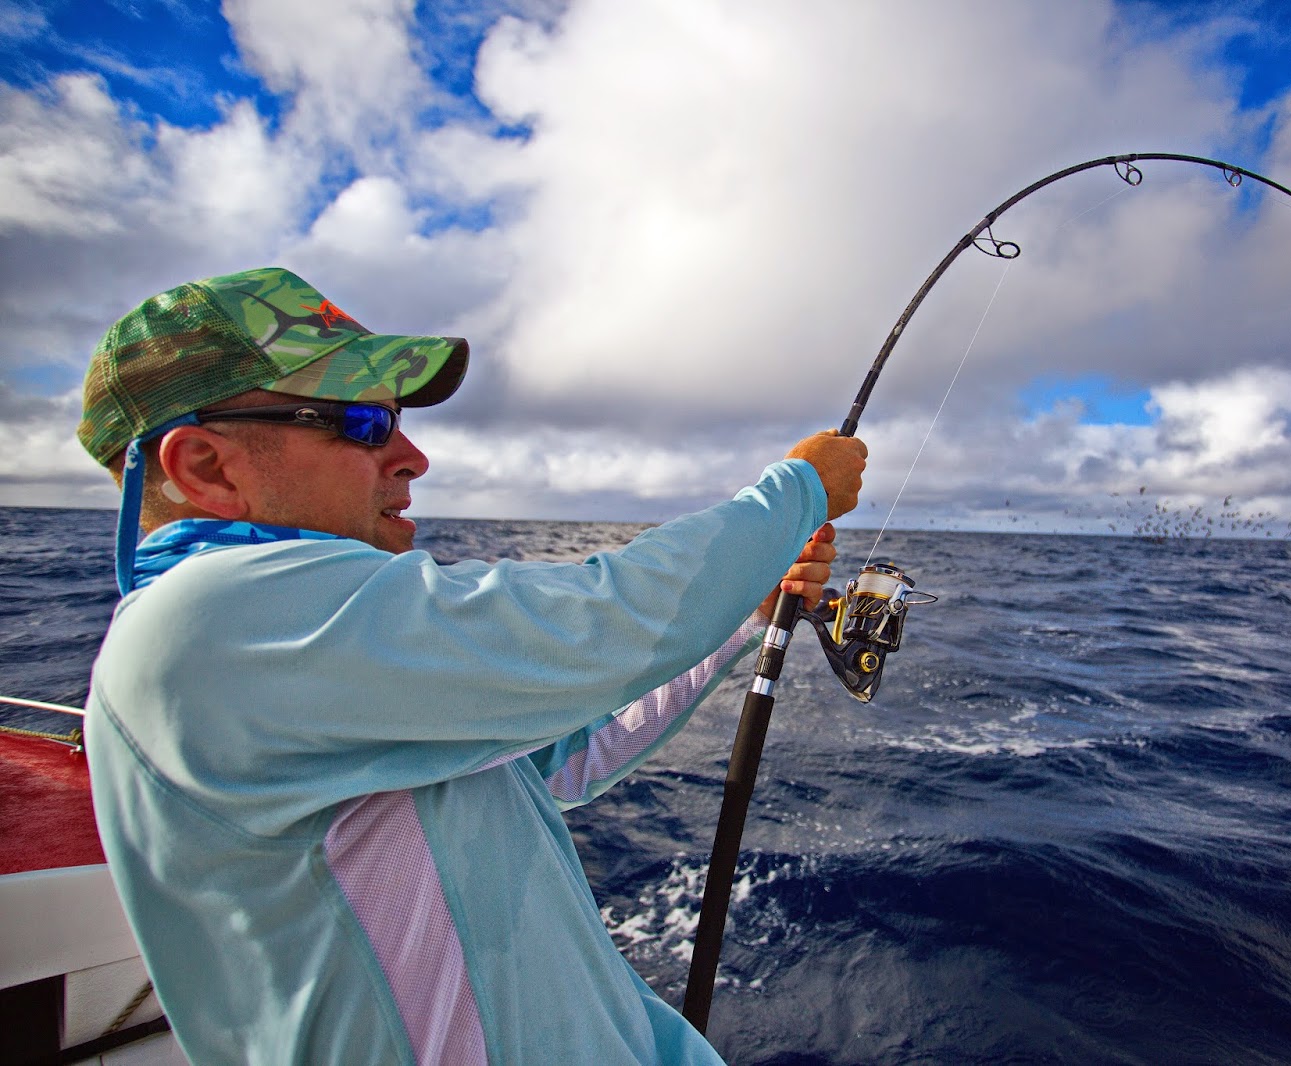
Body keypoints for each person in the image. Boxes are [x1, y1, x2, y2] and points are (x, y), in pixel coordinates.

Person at [77, 266, 868, 1064]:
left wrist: (745, 616)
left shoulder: (311, 655)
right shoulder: (212, 622)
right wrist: (799, 489)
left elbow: (564, 755)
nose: (412, 456)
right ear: (206, 468)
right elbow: (601, 627)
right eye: (363, 423)